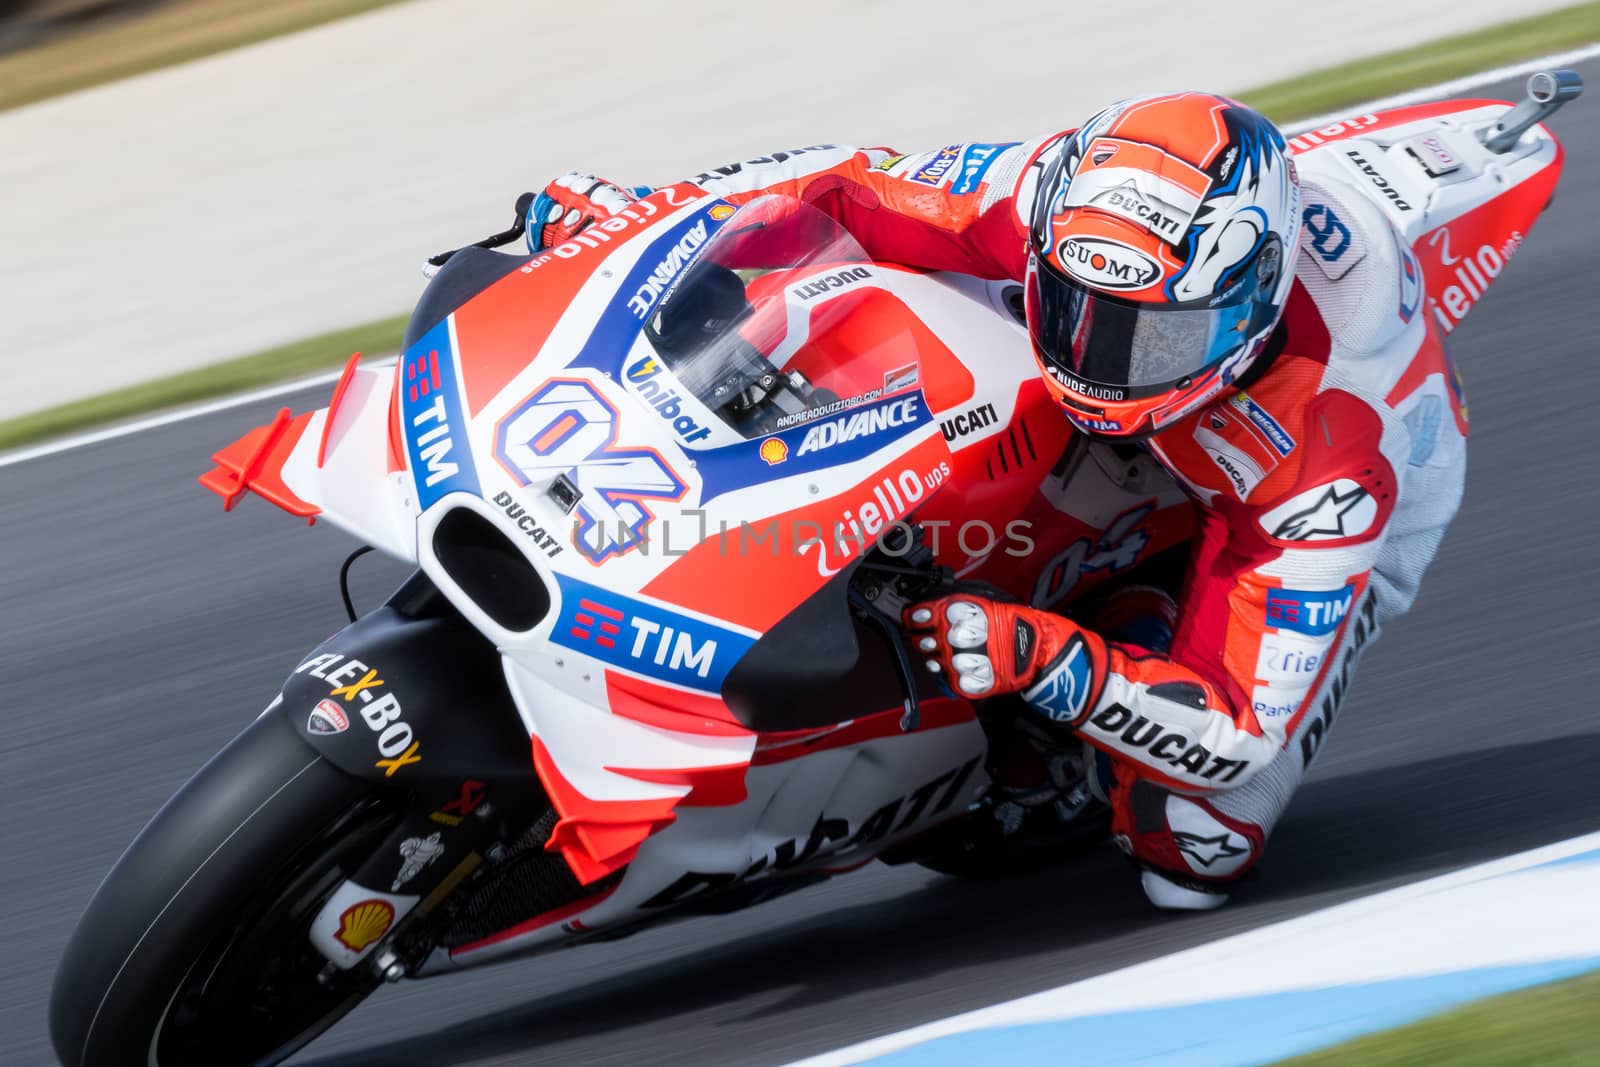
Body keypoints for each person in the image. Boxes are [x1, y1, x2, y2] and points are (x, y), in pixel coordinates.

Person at [524, 92, 1466, 909]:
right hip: (1150, 398)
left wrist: (1039, 655)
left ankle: (1132, 616)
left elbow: (1231, 733)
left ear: (1245, 311)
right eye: (1075, 307)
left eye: (1151, 340)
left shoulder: (1332, 454)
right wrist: (635, 219)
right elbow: (832, 181)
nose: (1099, 361)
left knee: (1192, 846)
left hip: (1295, 495)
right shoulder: (1042, 193)